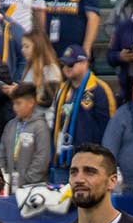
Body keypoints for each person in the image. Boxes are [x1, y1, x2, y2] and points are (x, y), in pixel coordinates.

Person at [49, 46, 117, 182]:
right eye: (64, 64)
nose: (67, 68)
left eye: (71, 64)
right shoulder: (62, 90)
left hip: (90, 164)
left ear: (85, 63)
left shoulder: (100, 89)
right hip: (63, 163)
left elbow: (110, 130)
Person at [0, 84, 53, 188]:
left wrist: (26, 181)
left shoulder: (40, 126)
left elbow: (42, 158)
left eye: (19, 103)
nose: (15, 108)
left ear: (31, 102)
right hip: (9, 185)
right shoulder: (10, 125)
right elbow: (1, 153)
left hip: (32, 187)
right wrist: (4, 176)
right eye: (13, 103)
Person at [17, 31, 64, 107]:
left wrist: (19, 93)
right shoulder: (29, 68)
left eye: (27, 46)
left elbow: (48, 100)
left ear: (38, 47)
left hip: (44, 117)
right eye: (22, 46)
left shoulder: (51, 70)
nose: (23, 50)